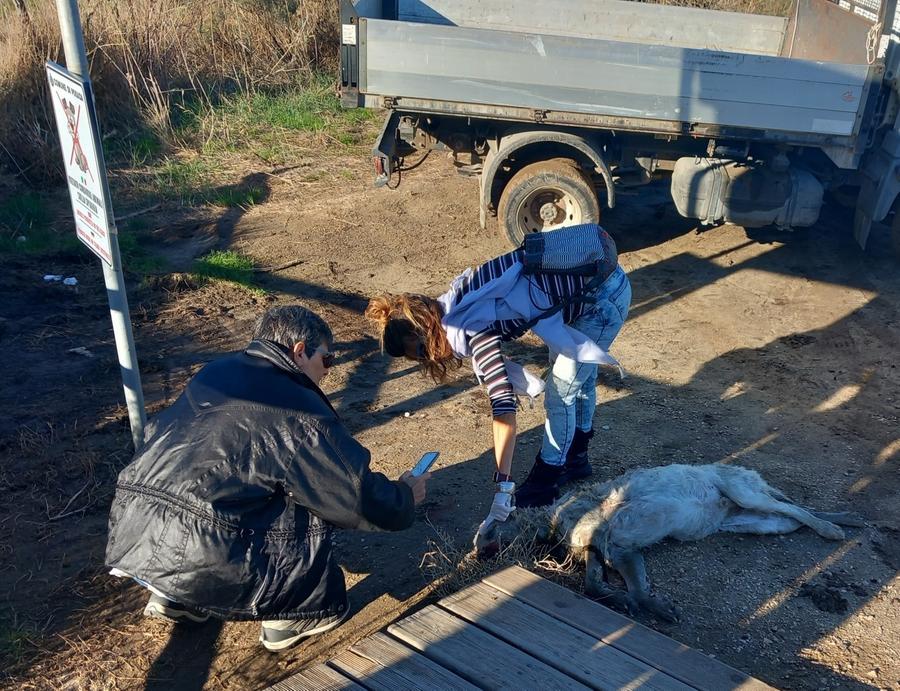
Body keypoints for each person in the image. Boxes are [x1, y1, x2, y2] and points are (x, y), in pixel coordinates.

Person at [105, 305, 430, 652]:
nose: (327, 372)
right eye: (328, 360)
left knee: (233, 482)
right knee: (307, 491)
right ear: (300, 351)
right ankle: (292, 615)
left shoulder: (216, 371)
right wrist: (404, 497)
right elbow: (353, 494)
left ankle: (174, 595)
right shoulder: (299, 410)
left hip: (137, 533)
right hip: (208, 552)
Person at [365, 224, 630, 528]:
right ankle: (576, 460)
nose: (431, 358)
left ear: (425, 326)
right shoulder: (460, 300)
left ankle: (548, 478)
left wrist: (503, 485)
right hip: (596, 291)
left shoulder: (471, 325)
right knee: (577, 380)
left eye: (422, 351)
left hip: (601, 302)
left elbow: (503, 408)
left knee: (561, 393)